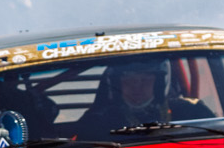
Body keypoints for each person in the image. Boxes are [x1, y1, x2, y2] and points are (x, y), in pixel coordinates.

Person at [73, 58, 212, 137]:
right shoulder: (96, 122)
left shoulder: (192, 111)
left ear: (159, 84)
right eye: (129, 81)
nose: (136, 87)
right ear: (117, 84)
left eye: (145, 80)